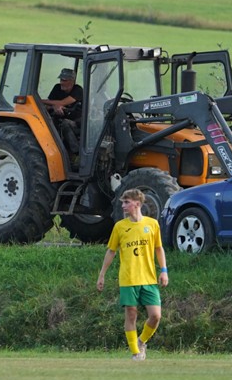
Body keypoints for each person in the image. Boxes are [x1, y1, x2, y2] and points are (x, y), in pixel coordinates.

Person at [96, 188, 168, 361]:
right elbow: (111, 251)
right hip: (128, 279)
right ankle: (136, 353)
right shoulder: (120, 227)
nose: (123, 206)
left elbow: (159, 248)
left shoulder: (152, 224)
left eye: (126, 202)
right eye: (123, 202)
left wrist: (164, 270)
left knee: (156, 316)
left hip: (148, 278)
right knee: (131, 314)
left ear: (137, 203)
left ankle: (141, 341)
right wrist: (102, 274)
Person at [42, 67, 84, 154]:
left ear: (72, 81)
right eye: (61, 79)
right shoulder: (57, 88)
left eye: (64, 80)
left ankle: (76, 152)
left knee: (65, 124)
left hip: (77, 121)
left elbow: (62, 102)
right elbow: (48, 105)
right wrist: (53, 107)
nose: (61, 82)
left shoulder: (78, 90)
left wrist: (39, 100)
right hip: (59, 117)